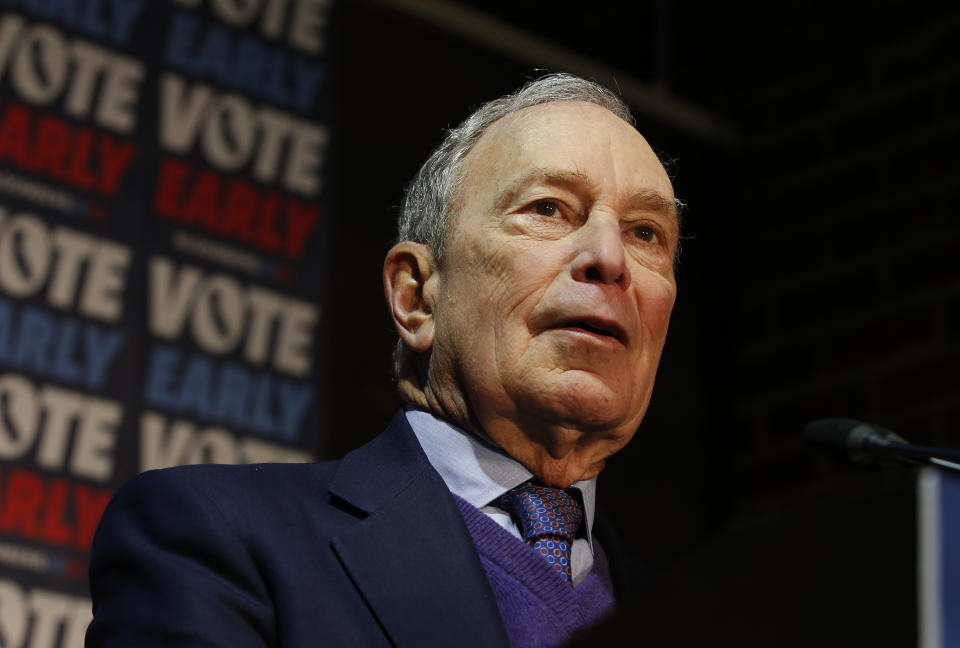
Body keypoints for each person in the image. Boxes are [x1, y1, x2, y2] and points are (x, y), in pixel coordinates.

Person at [86, 73, 680, 648]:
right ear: (416, 296)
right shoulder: (216, 540)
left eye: (646, 233)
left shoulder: (710, 615)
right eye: (549, 209)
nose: (609, 257)